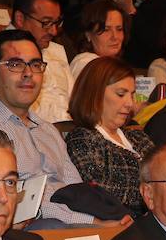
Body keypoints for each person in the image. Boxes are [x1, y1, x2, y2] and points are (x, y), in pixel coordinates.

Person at [0, 29, 94, 225]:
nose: (28, 74)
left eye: (35, 65)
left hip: (69, 222)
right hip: (26, 227)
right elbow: (9, 199)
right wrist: (89, 222)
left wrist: (95, 217)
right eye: (15, 65)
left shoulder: (48, 130)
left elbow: (74, 190)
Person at [63, 55, 153, 215]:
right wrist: (157, 189)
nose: (130, 103)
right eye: (120, 94)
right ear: (94, 93)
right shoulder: (82, 139)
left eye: (131, 95)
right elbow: (101, 192)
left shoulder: (138, 137)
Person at [0, 0, 72, 124]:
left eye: (56, 23)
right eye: (45, 23)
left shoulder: (57, 50)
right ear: (20, 19)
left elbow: (74, 101)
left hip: (66, 132)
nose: (53, 31)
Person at [68, 0, 124, 80]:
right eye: (106, 30)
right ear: (88, 35)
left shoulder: (112, 63)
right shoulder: (85, 64)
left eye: (119, 29)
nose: (115, 37)